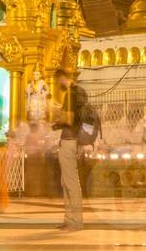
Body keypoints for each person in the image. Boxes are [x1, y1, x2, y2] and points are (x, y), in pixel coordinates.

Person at [50, 70, 94, 233]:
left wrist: (56, 116)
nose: (56, 86)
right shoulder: (80, 93)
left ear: (61, 78)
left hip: (69, 141)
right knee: (66, 182)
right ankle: (69, 219)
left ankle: (75, 221)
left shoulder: (70, 94)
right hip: (75, 142)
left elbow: (68, 119)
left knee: (71, 183)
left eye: (56, 82)